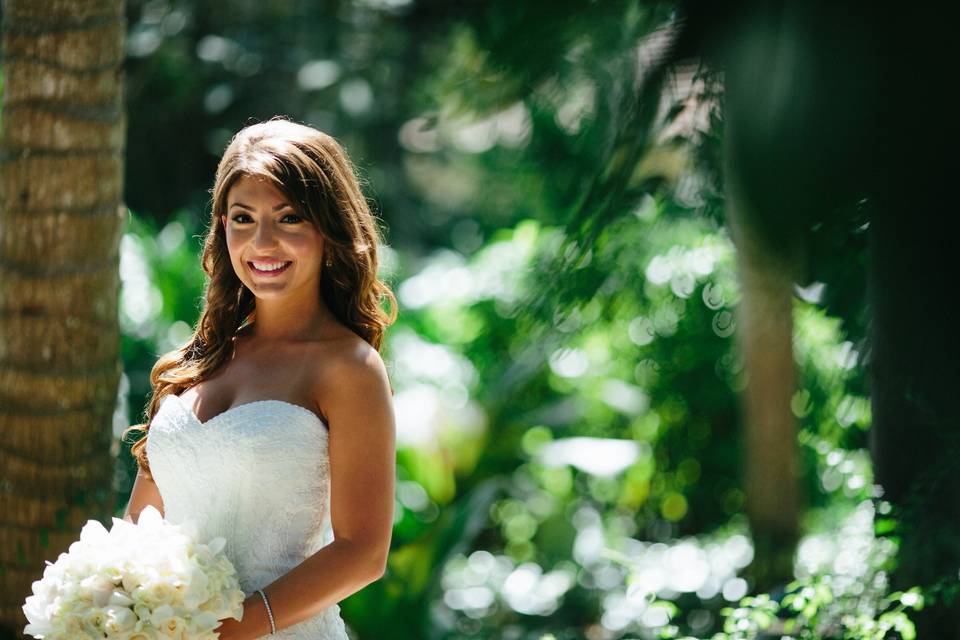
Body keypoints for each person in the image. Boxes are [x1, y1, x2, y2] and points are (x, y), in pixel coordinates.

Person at [121, 117, 398, 639]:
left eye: (289, 218)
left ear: (329, 229)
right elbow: (140, 528)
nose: (262, 242)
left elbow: (363, 552)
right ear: (222, 225)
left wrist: (228, 630)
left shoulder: (349, 369)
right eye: (243, 218)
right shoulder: (196, 360)